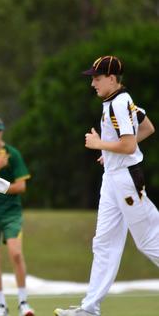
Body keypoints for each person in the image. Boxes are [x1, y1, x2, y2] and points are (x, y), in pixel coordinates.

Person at [54, 56, 159, 316]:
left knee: (148, 240)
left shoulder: (120, 103)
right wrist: (111, 153)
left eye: (97, 78)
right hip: (113, 177)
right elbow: (146, 127)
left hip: (125, 179)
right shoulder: (117, 100)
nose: (92, 83)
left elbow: (129, 145)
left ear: (112, 78)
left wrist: (101, 145)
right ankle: (89, 309)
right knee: (103, 243)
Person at [0, 115, 34, 316]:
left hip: (12, 213)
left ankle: (23, 303)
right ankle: (1, 305)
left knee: (16, 254)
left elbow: (21, 186)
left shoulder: (12, 153)